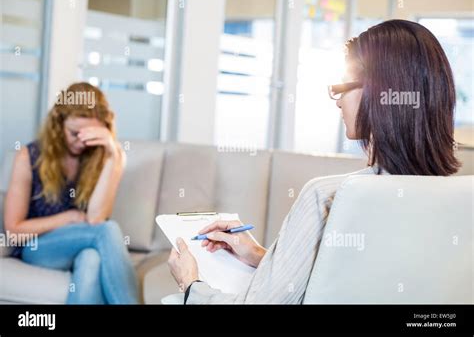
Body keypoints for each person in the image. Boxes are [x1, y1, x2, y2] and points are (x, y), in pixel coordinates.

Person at [167, 19, 461, 304]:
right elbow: (353, 281)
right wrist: (261, 256)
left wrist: (192, 285)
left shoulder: (328, 196)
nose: (337, 100)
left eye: (343, 87)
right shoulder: (455, 197)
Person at [4, 82, 139, 304]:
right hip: (38, 247)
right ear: (59, 124)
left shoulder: (104, 157)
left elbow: (95, 218)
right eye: (75, 133)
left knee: (91, 259)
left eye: (89, 135)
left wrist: (114, 158)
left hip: (83, 245)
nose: (81, 142)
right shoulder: (28, 157)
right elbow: (14, 229)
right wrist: (68, 218)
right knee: (108, 230)